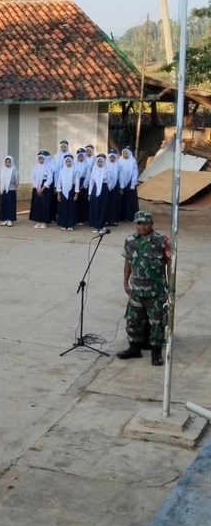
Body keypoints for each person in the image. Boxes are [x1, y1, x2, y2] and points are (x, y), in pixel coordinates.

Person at [117, 211, 171, 366]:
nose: (142, 227)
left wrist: (170, 288)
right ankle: (134, 348)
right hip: (136, 290)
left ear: (152, 224)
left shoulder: (162, 241)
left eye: (145, 223)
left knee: (157, 322)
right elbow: (128, 262)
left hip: (156, 291)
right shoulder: (130, 240)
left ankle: (156, 353)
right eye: (139, 223)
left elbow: (169, 265)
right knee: (133, 320)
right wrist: (126, 283)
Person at [87, 154, 111, 233]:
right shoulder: (94, 170)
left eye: (101, 161)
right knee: (95, 208)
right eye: (98, 161)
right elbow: (91, 182)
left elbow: (109, 182)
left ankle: (101, 226)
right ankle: (96, 226)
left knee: (103, 208)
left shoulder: (107, 170)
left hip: (104, 190)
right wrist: (90, 193)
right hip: (95, 190)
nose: (100, 163)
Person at [55, 156, 79, 231]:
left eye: (69, 161)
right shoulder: (61, 171)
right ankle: (63, 224)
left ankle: (70, 225)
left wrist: (76, 193)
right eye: (67, 161)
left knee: (71, 208)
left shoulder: (75, 171)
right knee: (63, 208)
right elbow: (59, 182)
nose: (68, 163)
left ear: (72, 162)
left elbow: (77, 182)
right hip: (63, 191)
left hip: (71, 191)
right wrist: (58, 193)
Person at [29, 152, 52, 229]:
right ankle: (38, 221)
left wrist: (42, 189)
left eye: (42, 159)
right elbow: (33, 178)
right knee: (37, 205)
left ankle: (44, 222)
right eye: (39, 158)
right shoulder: (35, 167)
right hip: (37, 188)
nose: (41, 160)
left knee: (44, 205)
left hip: (45, 188)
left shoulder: (48, 167)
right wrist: (37, 188)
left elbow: (49, 179)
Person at [119, 147, 140, 223]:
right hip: (122, 184)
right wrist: (121, 185)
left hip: (131, 184)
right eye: (124, 153)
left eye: (126, 153)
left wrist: (132, 184)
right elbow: (120, 173)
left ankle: (130, 217)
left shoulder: (133, 162)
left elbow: (135, 173)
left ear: (130, 154)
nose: (125, 155)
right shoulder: (120, 161)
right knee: (122, 201)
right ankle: (121, 217)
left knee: (130, 202)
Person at [105, 151, 122, 227]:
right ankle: (107, 220)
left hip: (116, 186)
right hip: (107, 187)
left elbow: (121, 177)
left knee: (115, 203)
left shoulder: (119, 165)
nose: (112, 158)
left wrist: (122, 187)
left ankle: (114, 220)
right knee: (107, 203)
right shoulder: (105, 165)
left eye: (113, 157)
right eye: (110, 157)